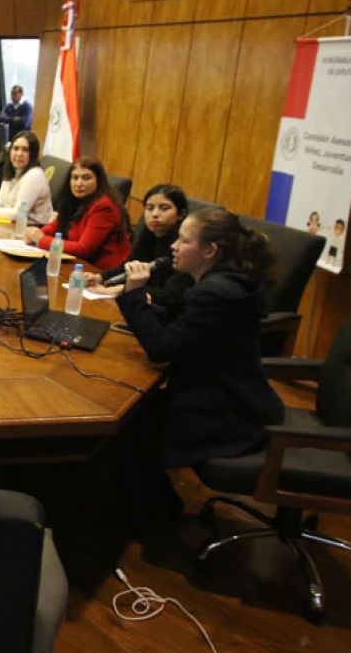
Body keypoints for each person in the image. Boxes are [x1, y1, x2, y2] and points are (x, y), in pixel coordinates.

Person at [116, 208, 283, 472]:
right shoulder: (224, 282)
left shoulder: (216, 294)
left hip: (224, 414)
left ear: (210, 251)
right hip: (225, 397)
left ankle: (154, 509)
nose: (174, 246)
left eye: (183, 240)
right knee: (132, 415)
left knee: (125, 425)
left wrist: (135, 296)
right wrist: (145, 308)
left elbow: (163, 349)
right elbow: (188, 326)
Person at [85, 184, 193, 308]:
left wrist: (123, 289)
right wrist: (100, 277)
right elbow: (131, 264)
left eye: (164, 208)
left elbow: (171, 295)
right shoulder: (148, 235)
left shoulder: (182, 248)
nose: (155, 214)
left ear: (181, 214)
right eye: (150, 208)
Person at [24, 157, 132, 269]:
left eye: (86, 178)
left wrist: (41, 239)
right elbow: (55, 226)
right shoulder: (74, 201)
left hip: (100, 272)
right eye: (75, 178)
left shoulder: (104, 207)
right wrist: (33, 234)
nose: (79, 183)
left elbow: (83, 249)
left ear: (98, 181)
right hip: (78, 265)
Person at [0, 130, 51, 226]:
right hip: (12, 225)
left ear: (33, 154)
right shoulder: (13, 170)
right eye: (15, 148)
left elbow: (19, 214)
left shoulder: (34, 175)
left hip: (32, 229)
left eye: (25, 150)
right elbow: (1, 200)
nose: (19, 154)